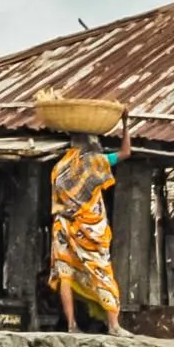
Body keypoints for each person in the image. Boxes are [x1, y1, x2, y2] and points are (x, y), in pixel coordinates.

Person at [48, 132, 124, 335]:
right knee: (101, 272)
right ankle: (114, 326)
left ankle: (72, 325)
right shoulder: (94, 162)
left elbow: (58, 202)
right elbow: (126, 152)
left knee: (65, 274)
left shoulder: (59, 168)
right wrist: (125, 123)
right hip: (89, 231)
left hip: (63, 225)